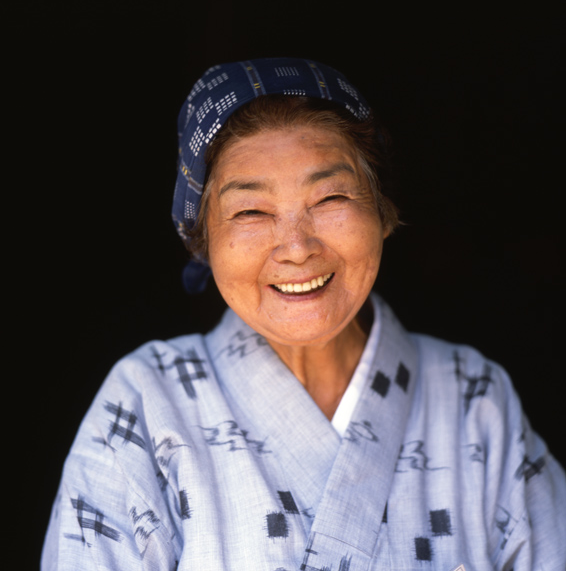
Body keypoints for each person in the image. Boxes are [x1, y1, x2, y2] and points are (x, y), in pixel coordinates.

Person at [42, 58, 566, 570]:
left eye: (330, 197)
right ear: (205, 242)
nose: (296, 247)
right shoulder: (145, 406)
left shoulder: (473, 398)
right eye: (250, 211)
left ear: (382, 213)